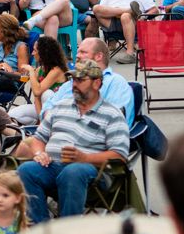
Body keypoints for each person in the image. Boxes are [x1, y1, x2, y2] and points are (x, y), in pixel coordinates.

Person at [17, 60, 129, 223]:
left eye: (80, 80)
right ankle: (41, 229)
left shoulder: (112, 114)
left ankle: (67, 230)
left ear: (97, 83)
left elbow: (119, 156)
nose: (74, 84)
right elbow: (39, 138)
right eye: (73, 80)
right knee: (27, 170)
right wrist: (40, 153)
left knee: (73, 172)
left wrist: (85, 158)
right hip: (54, 165)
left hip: (93, 172)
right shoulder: (61, 106)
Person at [90, 0, 158, 64]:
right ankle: (130, 10)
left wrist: (143, 16)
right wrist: (124, 11)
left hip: (134, 23)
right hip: (111, 23)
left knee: (125, 16)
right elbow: (102, 10)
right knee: (96, 8)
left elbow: (154, 10)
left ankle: (130, 54)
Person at [11, 35, 68, 125]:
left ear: (43, 53)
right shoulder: (40, 70)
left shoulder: (57, 70)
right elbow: (36, 97)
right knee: (12, 114)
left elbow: (38, 91)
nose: (33, 53)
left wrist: (31, 71)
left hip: (58, 110)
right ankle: (38, 126)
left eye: (35, 50)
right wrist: (40, 117)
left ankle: (48, 126)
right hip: (42, 108)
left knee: (47, 94)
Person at [0, 14, 29, 102]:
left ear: (5, 31)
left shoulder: (21, 47)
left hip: (10, 85)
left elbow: (24, 77)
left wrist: (0, 69)